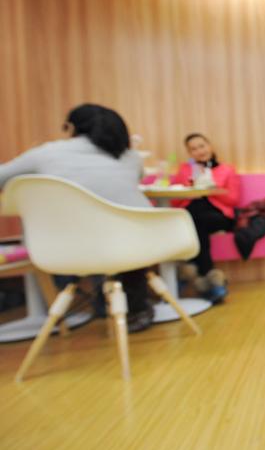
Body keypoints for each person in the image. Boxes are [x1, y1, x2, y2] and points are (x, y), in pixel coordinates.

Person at [0, 104, 157, 331]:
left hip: (66, 248)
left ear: (71, 127)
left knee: (81, 232)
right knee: (114, 231)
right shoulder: (131, 156)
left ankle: (78, 305)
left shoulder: (46, 153)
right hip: (139, 245)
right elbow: (135, 180)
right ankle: (134, 307)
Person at [169, 133, 240, 303]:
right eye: (193, 149)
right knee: (195, 215)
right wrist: (190, 187)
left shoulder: (226, 170)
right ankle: (211, 279)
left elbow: (234, 199)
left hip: (220, 216)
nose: (199, 151)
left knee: (194, 217)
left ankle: (191, 272)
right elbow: (175, 199)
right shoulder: (185, 170)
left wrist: (212, 188)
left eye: (202, 146)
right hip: (195, 216)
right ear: (189, 153)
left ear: (210, 146)